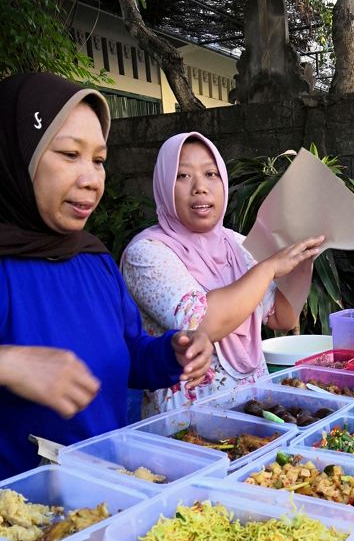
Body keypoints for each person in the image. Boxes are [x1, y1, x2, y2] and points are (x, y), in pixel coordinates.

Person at [0, 73, 214, 480]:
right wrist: (9, 364)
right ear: (15, 156)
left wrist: (173, 351)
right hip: (22, 524)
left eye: (98, 159)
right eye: (68, 154)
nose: (91, 178)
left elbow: (130, 354)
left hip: (106, 496)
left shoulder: (93, 259)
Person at [120, 132, 323, 417]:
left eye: (211, 174)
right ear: (164, 185)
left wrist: (302, 261)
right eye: (183, 176)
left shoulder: (238, 245)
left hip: (257, 414)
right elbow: (201, 323)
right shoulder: (146, 253)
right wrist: (269, 268)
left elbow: (282, 317)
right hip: (189, 427)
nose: (200, 187)